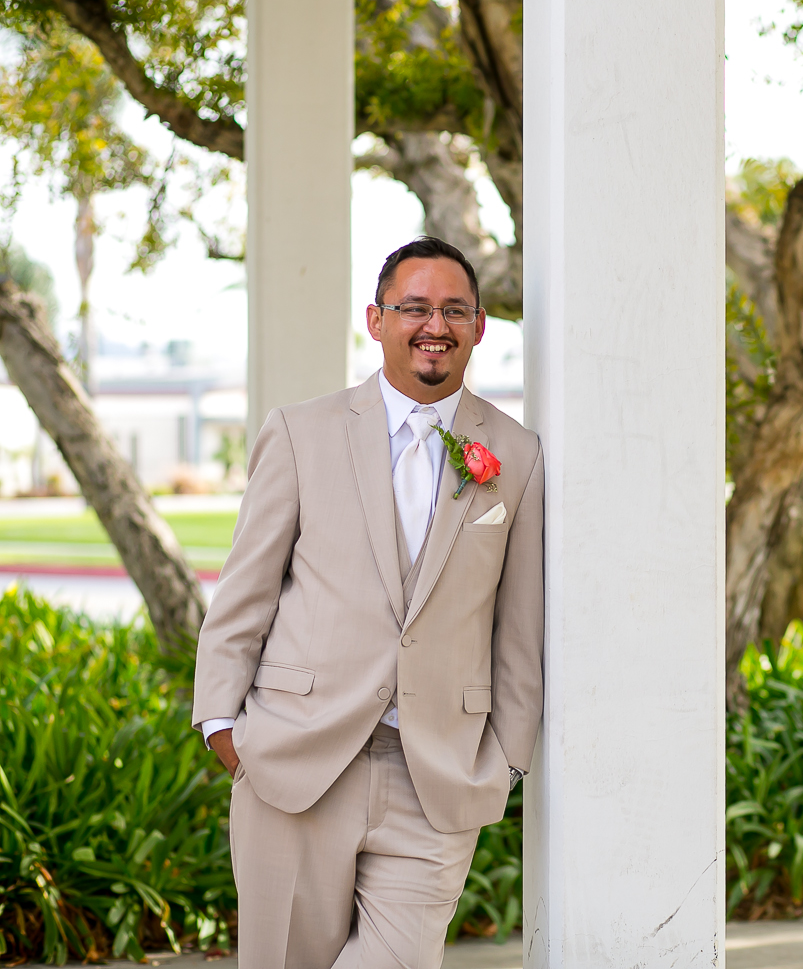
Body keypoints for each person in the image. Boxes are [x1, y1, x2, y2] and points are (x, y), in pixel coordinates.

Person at [192, 236, 543, 969]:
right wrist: (225, 729)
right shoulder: (300, 432)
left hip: (438, 775)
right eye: (413, 308)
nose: (434, 325)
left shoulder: (516, 454)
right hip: (295, 763)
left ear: (479, 325)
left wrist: (506, 755)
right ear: (376, 320)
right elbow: (246, 593)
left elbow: (519, 623)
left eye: (454, 309)